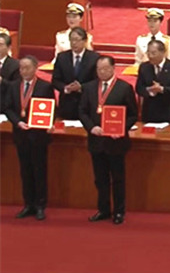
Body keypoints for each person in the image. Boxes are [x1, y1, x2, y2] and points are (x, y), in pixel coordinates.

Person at [79, 56, 138, 225]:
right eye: (99, 69)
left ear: (113, 68)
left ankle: (119, 211)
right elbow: (82, 111)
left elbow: (133, 114)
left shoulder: (124, 88)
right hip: (96, 140)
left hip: (116, 142)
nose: (102, 72)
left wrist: (121, 129)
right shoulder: (89, 88)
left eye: (105, 69)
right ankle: (103, 209)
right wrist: (91, 127)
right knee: (100, 178)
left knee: (118, 178)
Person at [5, 56, 54, 221]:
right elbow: (8, 108)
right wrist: (18, 122)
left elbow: (52, 108)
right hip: (21, 135)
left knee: (39, 170)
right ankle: (28, 204)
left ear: (35, 68)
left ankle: (40, 205)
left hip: (39, 136)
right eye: (21, 68)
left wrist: (49, 123)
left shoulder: (45, 86)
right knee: (25, 171)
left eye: (27, 68)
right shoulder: (13, 86)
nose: (24, 71)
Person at [52, 27, 100, 120]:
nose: (74, 43)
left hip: (86, 103)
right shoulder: (62, 57)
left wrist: (81, 87)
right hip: (67, 104)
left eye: (77, 40)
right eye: (71, 40)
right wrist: (65, 88)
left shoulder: (94, 58)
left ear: (85, 41)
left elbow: (97, 81)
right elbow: (55, 80)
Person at [135, 40, 170, 123]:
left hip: (169, 113)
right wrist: (150, 90)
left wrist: (162, 89)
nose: (150, 56)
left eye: (153, 53)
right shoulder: (144, 67)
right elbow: (139, 88)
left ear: (163, 53)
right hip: (149, 113)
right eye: (148, 53)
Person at [0, 32, 20, 113]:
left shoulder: (15, 65)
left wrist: (2, 81)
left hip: (5, 105)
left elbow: (16, 88)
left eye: (0, 44)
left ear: (9, 47)